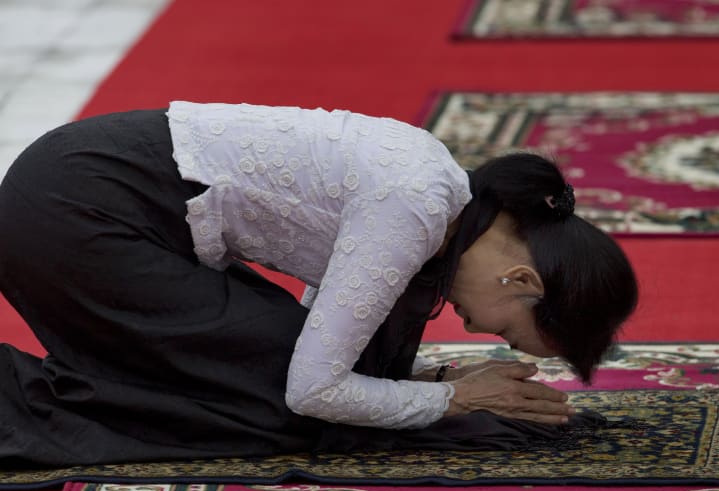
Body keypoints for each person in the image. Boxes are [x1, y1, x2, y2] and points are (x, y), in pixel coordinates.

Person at [0, 102, 638, 467]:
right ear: (523, 278)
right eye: (503, 329)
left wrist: (424, 385)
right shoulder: (414, 206)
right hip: (78, 215)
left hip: (93, 203)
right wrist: (456, 401)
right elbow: (313, 388)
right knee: (284, 409)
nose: (472, 329)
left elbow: (326, 340)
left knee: (274, 379)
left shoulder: (443, 195)